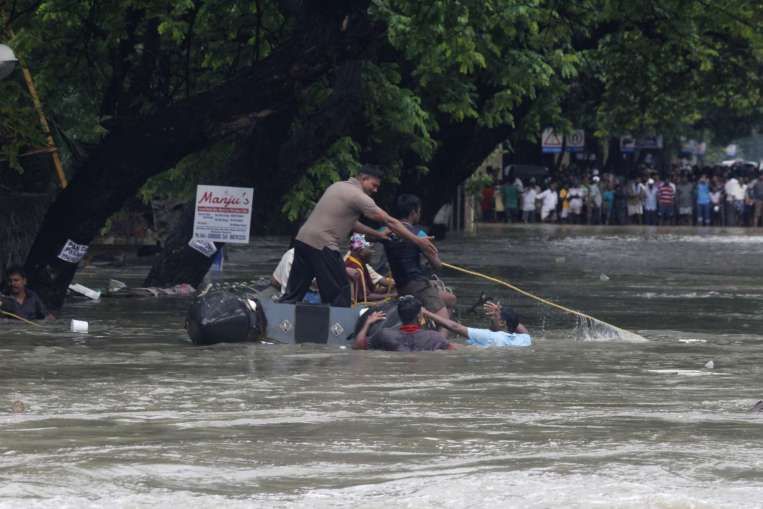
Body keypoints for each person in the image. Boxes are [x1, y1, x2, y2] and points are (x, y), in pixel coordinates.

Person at [280, 165, 436, 307]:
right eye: (374, 185)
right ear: (363, 179)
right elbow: (390, 221)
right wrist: (417, 241)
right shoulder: (359, 197)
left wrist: (379, 235)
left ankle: (281, 321)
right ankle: (338, 333)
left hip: (302, 241)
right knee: (340, 294)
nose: (375, 190)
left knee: (293, 293)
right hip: (323, 245)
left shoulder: (337, 186)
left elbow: (352, 224)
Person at [382, 194, 454, 327]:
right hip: (418, 286)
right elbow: (437, 264)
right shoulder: (420, 235)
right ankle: (442, 343)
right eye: (419, 211)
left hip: (401, 286)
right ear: (413, 212)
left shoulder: (385, 232)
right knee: (449, 308)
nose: (419, 214)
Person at [353, 295, 454, 351]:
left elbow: (358, 346)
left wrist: (367, 323)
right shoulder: (434, 337)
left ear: (399, 315)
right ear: (420, 316)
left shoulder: (385, 335)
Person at [423, 300, 532, 348]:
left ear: (503, 322)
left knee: (452, 346)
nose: (491, 317)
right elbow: (517, 325)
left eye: (494, 316)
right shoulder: (524, 339)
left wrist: (426, 312)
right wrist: (502, 313)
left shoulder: (491, 336)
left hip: (487, 349)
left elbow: (455, 327)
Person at [345, 234, 393, 303]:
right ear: (360, 251)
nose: (373, 252)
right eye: (369, 249)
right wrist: (390, 295)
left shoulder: (361, 263)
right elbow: (364, 297)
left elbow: (372, 290)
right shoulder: (354, 266)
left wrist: (392, 289)